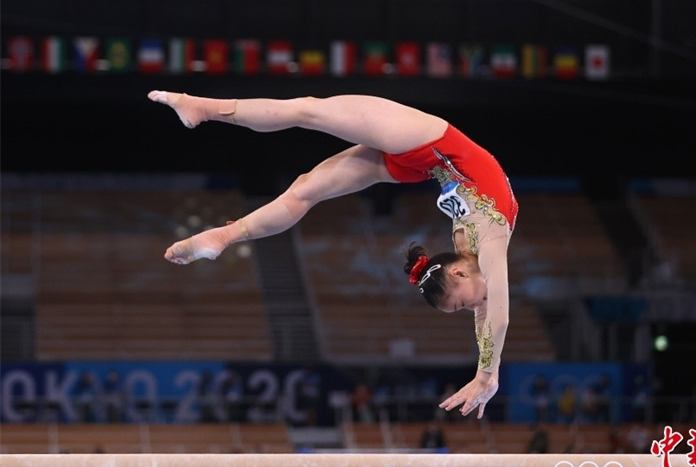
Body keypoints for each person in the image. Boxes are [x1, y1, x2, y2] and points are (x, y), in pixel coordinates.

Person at [148, 90, 518, 419]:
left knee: (305, 190)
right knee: (309, 111)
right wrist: (486, 375)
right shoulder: (491, 240)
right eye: (461, 306)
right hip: (427, 139)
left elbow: (486, 312)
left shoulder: (467, 255)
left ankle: (224, 235)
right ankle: (203, 107)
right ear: (457, 275)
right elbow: (496, 317)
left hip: (420, 166)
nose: (472, 308)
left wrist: (491, 373)